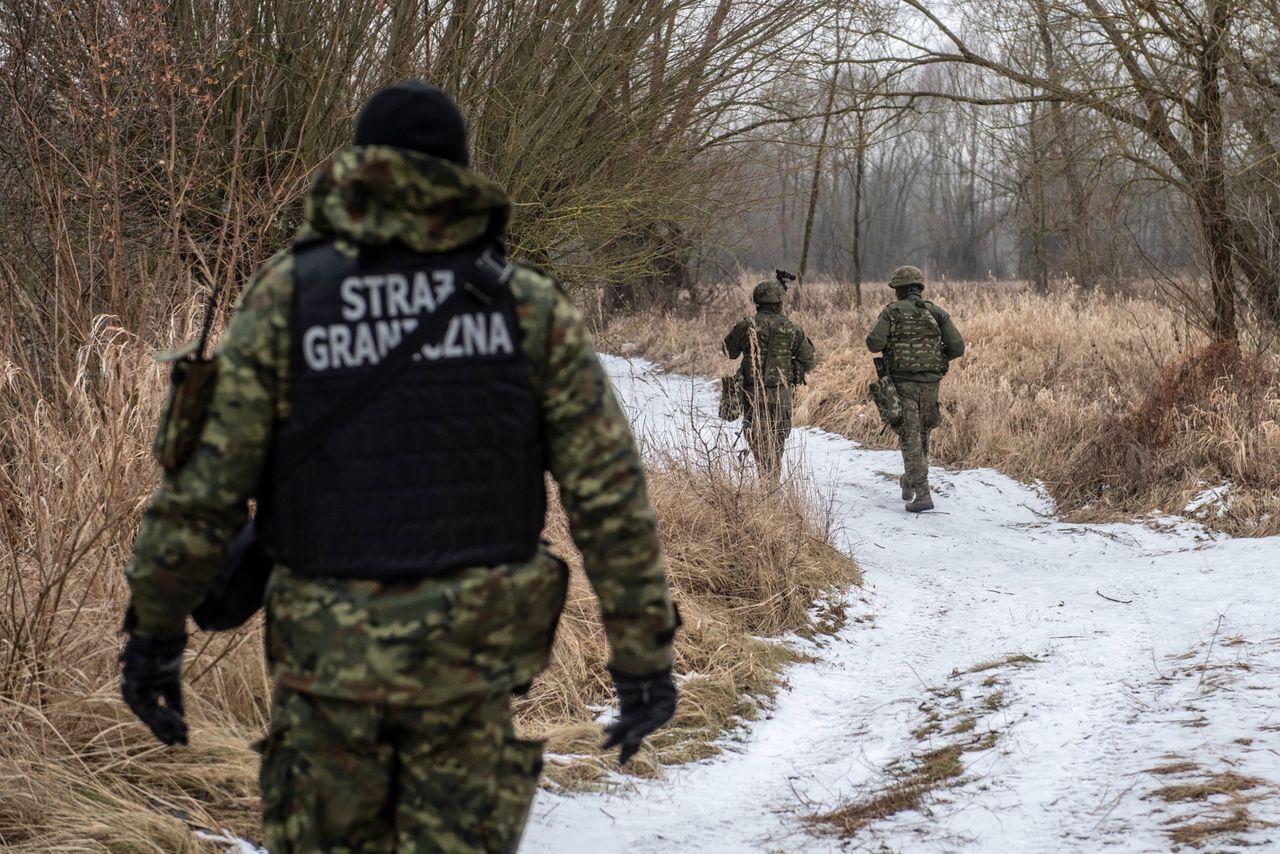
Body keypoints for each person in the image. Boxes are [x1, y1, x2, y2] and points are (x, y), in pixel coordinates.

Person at [119, 81, 680, 853]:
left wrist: (154, 635)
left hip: (325, 669)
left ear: (359, 169)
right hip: (469, 663)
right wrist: (643, 658)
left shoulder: (288, 296)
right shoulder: (527, 309)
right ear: (460, 175)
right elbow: (610, 499)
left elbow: (200, 492)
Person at [865, 265, 965, 512]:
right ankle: (910, 480)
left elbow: (873, 343)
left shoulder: (892, 312)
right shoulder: (937, 312)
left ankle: (922, 495)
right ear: (919, 288)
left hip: (902, 383)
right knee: (921, 434)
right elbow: (957, 348)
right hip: (931, 384)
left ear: (898, 290)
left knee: (910, 436)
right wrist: (934, 359)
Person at [722, 273, 815, 481]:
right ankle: (771, 484)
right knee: (777, 441)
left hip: (752, 393)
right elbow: (809, 362)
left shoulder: (747, 326)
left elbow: (728, 352)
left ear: (757, 302)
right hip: (781, 395)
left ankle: (768, 485)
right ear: (779, 302)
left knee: (758, 440)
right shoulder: (792, 329)